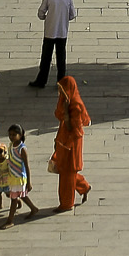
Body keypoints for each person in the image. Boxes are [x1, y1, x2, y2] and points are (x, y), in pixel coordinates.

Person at [52, 74, 93, 210]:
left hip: (72, 142)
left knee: (68, 172)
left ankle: (67, 203)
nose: (60, 92)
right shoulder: (65, 100)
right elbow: (58, 116)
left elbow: (72, 127)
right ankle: (84, 186)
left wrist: (67, 112)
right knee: (64, 170)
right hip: (64, 139)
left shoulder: (75, 105)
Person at [30, 0, 77, 87]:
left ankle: (41, 80)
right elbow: (72, 15)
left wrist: (46, 18)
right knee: (61, 58)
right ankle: (61, 82)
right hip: (62, 32)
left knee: (46, 58)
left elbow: (41, 13)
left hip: (50, 32)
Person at [0, 125, 39, 226]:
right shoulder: (11, 145)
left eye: (14, 135)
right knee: (22, 195)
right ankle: (33, 209)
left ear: (20, 136)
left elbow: (26, 166)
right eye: (10, 135)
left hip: (19, 177)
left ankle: (10, 221)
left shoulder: (22, 149)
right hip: (12, 177)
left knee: (14, 198)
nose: (11, 137)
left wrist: (29, 182)